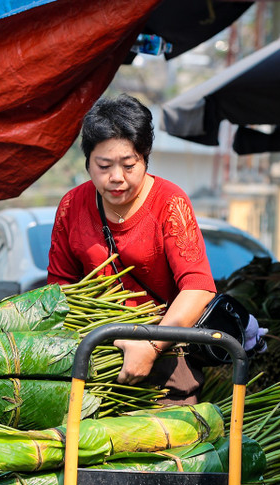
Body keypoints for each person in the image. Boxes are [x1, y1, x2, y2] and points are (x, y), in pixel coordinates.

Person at [47, 93, 216, 404]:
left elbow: (198, 288)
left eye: (128, 165)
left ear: (145, 157)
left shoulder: (170, 201)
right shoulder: (72, 205)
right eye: (103, 165)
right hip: (93, 360)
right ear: (87, 162)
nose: (116, 178)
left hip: (165, 361)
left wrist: (150, 347)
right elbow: (58, 291)